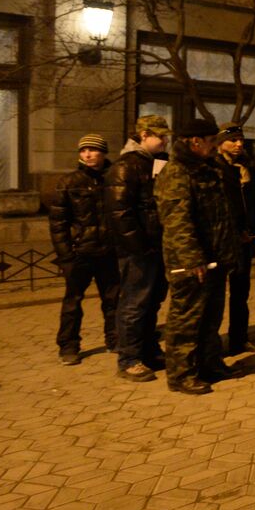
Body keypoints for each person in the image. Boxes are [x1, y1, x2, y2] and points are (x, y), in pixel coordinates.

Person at [154, 118, 241, 394]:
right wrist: (192, 258)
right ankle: (181, 374)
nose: (215, 145)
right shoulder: (177, 172)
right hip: (190, 262)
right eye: (211, 140)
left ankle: (209, 364)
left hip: (215, 257)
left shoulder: (208, 168)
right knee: (186, 319)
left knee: (211, 317)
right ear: (195, 142)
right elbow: (177, 221)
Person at [106, 115, 171, 382]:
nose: (164, 140)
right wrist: (138, 245)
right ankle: (129, 358)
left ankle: (148, 349)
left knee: (152, 301)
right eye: (160, 136)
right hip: (138, 250)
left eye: (166, 136)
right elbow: (120, 212)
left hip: (156, 245)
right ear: (143, 135)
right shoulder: (126, 167)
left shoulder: (157, 162)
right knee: (134, 302)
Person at [49, 134, 119, 366]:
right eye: (83, 150)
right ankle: (68, 346)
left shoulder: (114, 178)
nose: (87, 154)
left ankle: (115, 339)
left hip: (109, 251)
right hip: (81, 253)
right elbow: (58, 223)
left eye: (93, 150)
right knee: (72, 302)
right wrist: (66, 255)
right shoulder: (69, 182)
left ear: (104, 152)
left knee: (113, 300)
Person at [216, 123, 255, 355]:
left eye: (241, 140)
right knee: (214, 297)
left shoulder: (248, 167)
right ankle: (212, 345)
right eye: (233, 140)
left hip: (246, 241)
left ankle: (239, 338)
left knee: (240, 294)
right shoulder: (214, 168)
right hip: (223, 242)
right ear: (220, 143)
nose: (239, 144)